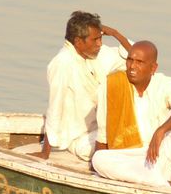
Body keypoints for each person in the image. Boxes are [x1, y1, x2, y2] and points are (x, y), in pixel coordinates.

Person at [91, 41, 171, 185]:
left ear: (153, 67)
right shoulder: (112, 85)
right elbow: (103, 136)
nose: (132, 66)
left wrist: (161, 131)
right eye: (130, 60)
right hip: (128, 156)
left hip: (157, 154)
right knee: (99, 159)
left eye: (139, 62)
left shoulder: (163, 83)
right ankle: (160, 183)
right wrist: (95, 170)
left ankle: (151, 179)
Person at [41, 11, 131, 161]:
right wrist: (45, 152)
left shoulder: (97, 54)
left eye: (101, 38)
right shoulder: (62, 63)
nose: (100, 44)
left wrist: (116, 34)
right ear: (78, 41)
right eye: (95, 39)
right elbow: (55, 107)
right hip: (78, 139)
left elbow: (137, 59)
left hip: (99, 130)